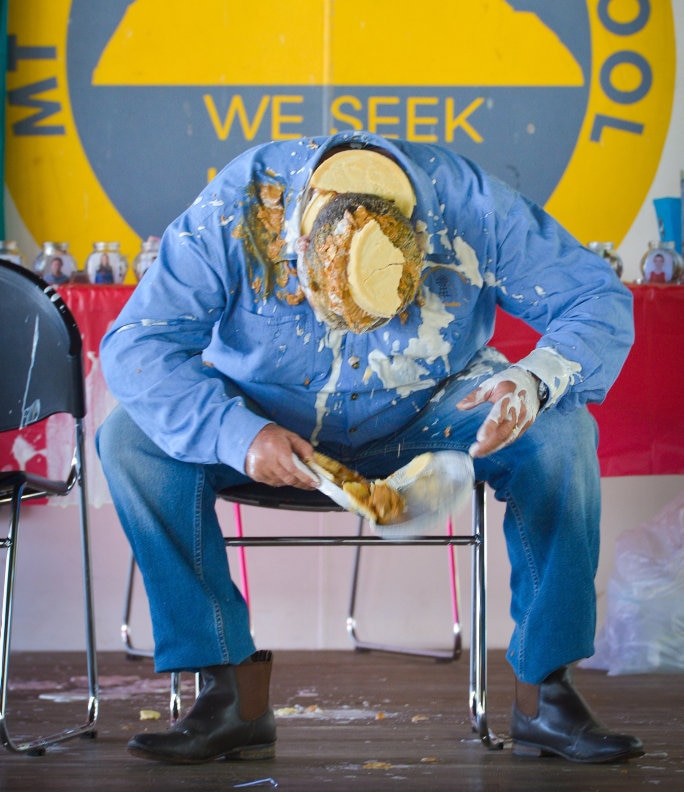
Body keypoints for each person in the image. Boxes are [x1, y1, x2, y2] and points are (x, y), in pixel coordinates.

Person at [97, 132, 643, 766]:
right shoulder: (240, 207)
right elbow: (137, 343)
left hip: (434, 408)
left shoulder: (470, 204)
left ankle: (545, 694)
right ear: (296, 239)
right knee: (130, 441)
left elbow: (598, 299)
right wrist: (236, 435)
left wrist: (536, 379)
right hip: (267, 416)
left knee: (563, 430)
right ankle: (228, 693)